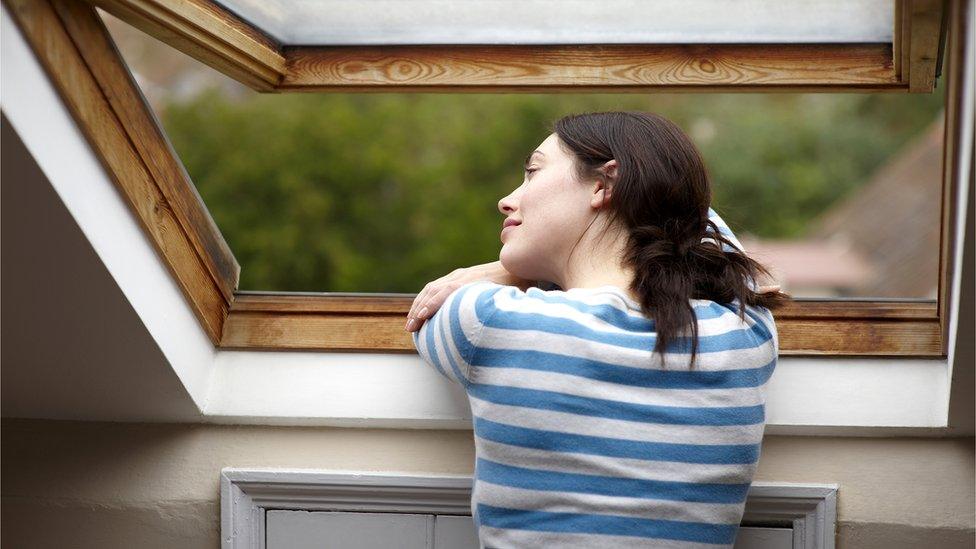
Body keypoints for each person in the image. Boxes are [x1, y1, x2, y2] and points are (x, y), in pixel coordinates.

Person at [405, 111, 791, 548]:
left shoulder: (489, 322)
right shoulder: (742, 335)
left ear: (605, 184)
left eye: (532, 172)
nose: (507, 200)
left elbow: (428, 311)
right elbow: (718, 242)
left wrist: (501, 269)